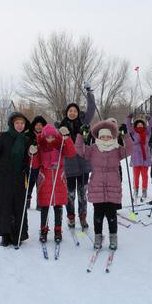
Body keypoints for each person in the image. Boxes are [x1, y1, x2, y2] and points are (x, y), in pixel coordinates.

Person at [75, 120, 132, 250]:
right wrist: (80, 136)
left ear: (112, 137)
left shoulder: (117, 148)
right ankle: (98, 238)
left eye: (108, 136)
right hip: (97, 185)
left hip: (113, 185)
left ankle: (113, 238)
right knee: (98, 215)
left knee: (112, 215)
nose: (105, 139)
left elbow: (129, 150)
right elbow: (80, 150)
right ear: (98, 137)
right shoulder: (93, 149)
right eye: (102, 137)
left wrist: (125, 135)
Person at [0, 112, 31, 247]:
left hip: (19, 178)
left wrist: (33, 153)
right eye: (17, 123)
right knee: (3, 207)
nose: (20, 126)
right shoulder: (4, 137)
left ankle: (18, 235)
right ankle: (5, 235)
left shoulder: (26, 140)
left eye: (22, 123)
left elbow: (28, 160)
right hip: (2, 177)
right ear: (12, 124)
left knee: (18, 207)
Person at [31, 124, 76, 242]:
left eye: (52, 137)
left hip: (58, 178)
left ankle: (58, 230)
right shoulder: (40, 147)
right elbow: (35, 165)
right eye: (47, 137)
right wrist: (33, 154)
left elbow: (71, 153)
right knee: (45, 206)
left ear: (56, 136)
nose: (50, 139)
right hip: (45, 178)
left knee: (58, 206)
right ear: (44, 137)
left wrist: (67, 138)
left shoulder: (60, 145)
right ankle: (44, 229)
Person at [59, 88, 95, 230]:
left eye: (74, 110)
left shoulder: (83, 122)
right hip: (68, 166)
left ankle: (83, 216)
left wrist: (89, 93)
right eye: (70, 111)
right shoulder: (61, 126)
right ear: (66, 113)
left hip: (83, 165)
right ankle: (71, 217)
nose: (72, 113)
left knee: (82, 194)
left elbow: (92, 108)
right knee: (70, 194)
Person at [126, 113, 152, 202]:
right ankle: (136, 190)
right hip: (136, 158)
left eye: (141, 124)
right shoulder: (133, 133)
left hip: (145, 159)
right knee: (136, 176)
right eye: (138, 124)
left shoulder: (147, 133)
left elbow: (151, 126)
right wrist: (129, 118)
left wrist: (149, 119)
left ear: (144, 125)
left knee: (145, 176)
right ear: (136, 125)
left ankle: (144, 190)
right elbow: (128, 127)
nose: (140, 125)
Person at [26, 115, 47, 209]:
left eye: (41, 125)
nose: (38, 127)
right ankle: (27, 201)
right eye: (37, 125)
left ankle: (40, 203)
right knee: (29, 184)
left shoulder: (46, 136)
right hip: (30, 164)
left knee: (41, 184)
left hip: (42, 164)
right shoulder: (28, 136)